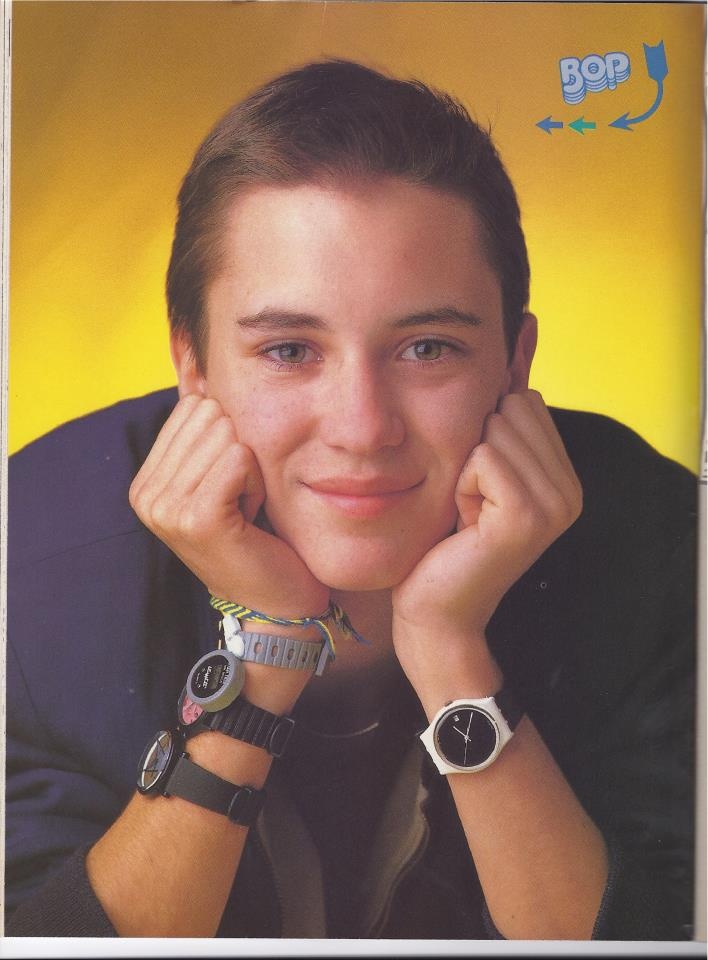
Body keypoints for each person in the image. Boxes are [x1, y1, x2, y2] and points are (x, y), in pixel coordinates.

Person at [6, 59, 696, 940]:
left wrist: (449, 650)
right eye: (290, 350)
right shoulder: (27, 562)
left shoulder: (667, 550)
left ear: (517, 365)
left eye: (428, 349)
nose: (363, 428)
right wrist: (265, 657)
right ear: (192, 366)